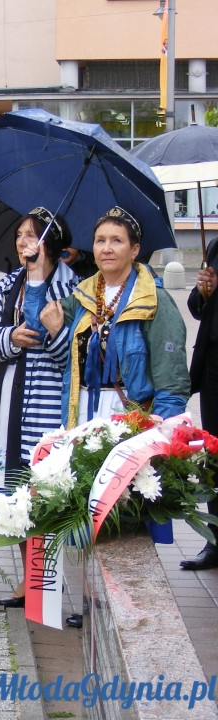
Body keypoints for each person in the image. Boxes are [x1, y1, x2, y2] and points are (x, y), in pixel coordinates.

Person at [0, 208, 79, 608]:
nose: (23, 242)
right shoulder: (7, 286)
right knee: (15, 497)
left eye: (32, 235)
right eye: (19, 235)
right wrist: (12, 337)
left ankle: (45, 582)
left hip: (49, 408)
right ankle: (27, 582)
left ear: (51, 242)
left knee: (47, 493)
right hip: (8, 403)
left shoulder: (72, 289)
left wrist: (53, 333)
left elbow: (70, 355)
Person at [40, 206, 190, 428]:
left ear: (134, 250)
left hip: (130, 418)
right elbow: (35, 325)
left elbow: (172, 383)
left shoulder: (153, 301)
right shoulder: (82, 295)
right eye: (100, 241)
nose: (106, 249)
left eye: (116, 241)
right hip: (81, 413)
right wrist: (35, 271)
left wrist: (157, 434)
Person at [183, 236, 218, 570]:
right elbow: (197, 308)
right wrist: (204, 292)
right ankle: (215, 540)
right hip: (213, 367)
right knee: (215, 454)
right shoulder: (217, 244)